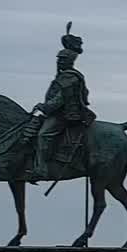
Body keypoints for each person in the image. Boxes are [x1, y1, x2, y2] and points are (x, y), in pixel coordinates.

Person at [31, 24, 96, 179]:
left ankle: (42, 168)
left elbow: (60, 99)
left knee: (43, 135)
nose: (59, 63)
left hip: (65, 115)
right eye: (58, 60)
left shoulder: (69, 77)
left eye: (62, 60)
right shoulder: (66, 75)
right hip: (57, 112)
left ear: (68, 61)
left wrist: (45, 107)